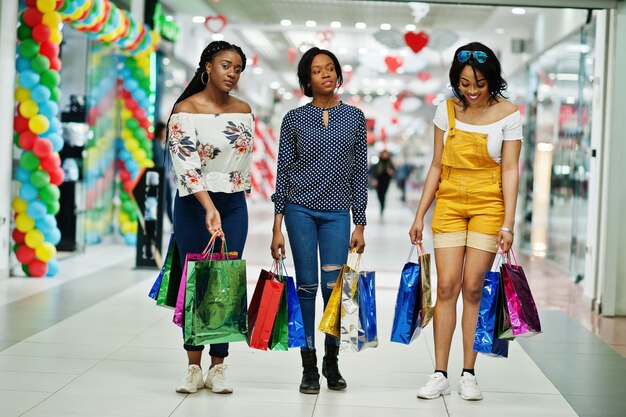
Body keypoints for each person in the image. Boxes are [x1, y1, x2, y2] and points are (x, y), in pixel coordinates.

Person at [408, 42, 522, 401]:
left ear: (493, 81)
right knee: (446, 288)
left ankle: (468, 372)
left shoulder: (509, 113)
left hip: (490, 204)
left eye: (479, 84)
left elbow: (510, 170)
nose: (472, 91)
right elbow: (437, 165)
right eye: (464, 84)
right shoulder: (447, 110)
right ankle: (439, 372)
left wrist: (509, 223)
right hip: (451, 201)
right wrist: (419, 214)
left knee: (474, 287)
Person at [270, 47, 368, 394]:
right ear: (306, 79)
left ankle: (332, 360)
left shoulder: (355, 118)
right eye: (317, 70)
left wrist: (360, 222)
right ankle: (308, 364)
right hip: (298, 210)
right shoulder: (294, 119)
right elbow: (283, 172)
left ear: (338, 75)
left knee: (333, 290)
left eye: (330, 68)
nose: (325, 74)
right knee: (306, 286)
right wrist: (276, 225)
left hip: (337, 214)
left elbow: (359, 173)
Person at [166, 41, 252, 395]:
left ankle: (218, 367)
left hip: (233, 205)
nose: (232, 73)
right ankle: (192, 366)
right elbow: (185, 165)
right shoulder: (185, 110)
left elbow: (241, 163)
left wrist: (226, 201)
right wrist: (207, 206)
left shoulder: (244, 109)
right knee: (197, 283)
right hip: (193, 204)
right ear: (207, 67)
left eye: (237, 69)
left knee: (226, 284)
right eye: (225, 65)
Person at [152, 121, 174, 224]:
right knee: (164, 201)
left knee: (167, 201)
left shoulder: (162, 144)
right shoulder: (155, 144)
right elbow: (159, 161)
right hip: (159, 177)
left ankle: (172, 222)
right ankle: (171, 223)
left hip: (164, 176)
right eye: (164, 130)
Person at [371, 149, 395, 216]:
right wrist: (374, 179)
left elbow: (394, 171)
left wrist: (391, 172)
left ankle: (382, 206)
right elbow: (374, 171)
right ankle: (381, 204)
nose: (385, 155)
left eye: (386, 154)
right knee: (379, 195)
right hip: (378, 181)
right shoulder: (378, 163)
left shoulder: (390, 163)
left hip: (386, 181)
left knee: (383, 194)